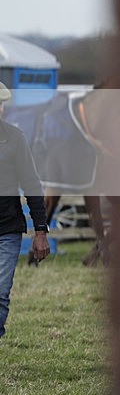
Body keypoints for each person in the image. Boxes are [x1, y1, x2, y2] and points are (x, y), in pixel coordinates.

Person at [0, 82, 50, 339]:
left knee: (0, 293)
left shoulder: (15, 138)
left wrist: (40, 230)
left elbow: (31, 184)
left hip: (7, 230)